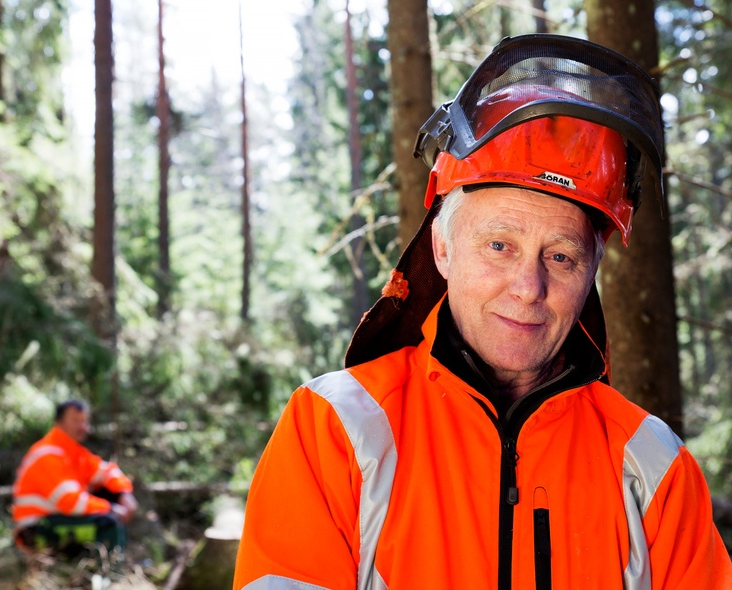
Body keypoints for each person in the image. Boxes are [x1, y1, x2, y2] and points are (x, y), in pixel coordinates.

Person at [233, 34, 732, 589]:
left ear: (591, 272)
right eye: (500, 245)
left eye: (561, 256)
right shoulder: (335, 431)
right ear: (442, 249)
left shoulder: (652, 466)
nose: (528, 287)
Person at [12, 399, 138, 556]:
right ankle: (108, 575)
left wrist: (123, 494)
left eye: (85, 421)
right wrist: (111, 508)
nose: (82, 427)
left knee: (110, 493)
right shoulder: (47, 454)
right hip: (36, 529)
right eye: (75, 421)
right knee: (109, 522)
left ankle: (95, 567)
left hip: (59, 519)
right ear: (59, 423)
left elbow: (106, 471)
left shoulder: (74, 453)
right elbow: (70, 501)